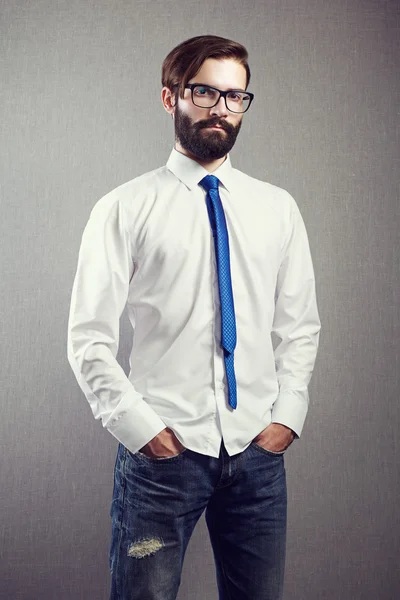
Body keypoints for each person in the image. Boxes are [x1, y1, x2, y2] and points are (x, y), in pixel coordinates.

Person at [67, 34, 321, 600]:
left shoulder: (276, 208)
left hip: (257, 455)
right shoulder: (124, 208)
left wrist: (287, 416)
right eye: (204, 92)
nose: (220, 109)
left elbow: (299, 325)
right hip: (164, 458)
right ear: (170, 98)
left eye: (234, 96)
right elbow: (88, 339)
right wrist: (142, 431)